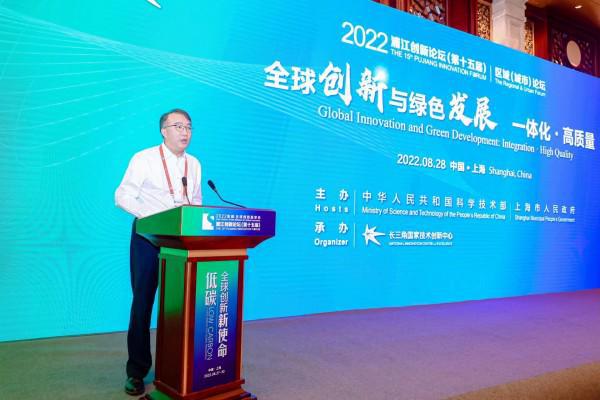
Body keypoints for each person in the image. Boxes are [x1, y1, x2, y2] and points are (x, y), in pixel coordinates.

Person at [115, 109, 202, 396]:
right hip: (148, 238)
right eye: (178, 126)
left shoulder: (194, 164)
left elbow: (195, 202)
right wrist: (153, 218)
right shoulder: (144, 159)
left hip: (181, 241)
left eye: (188, 127)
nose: (185, 132)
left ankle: (177, 367)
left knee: (181, 305)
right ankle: (136, 371)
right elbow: (122, 195)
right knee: (143, 302)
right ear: (163, 131)